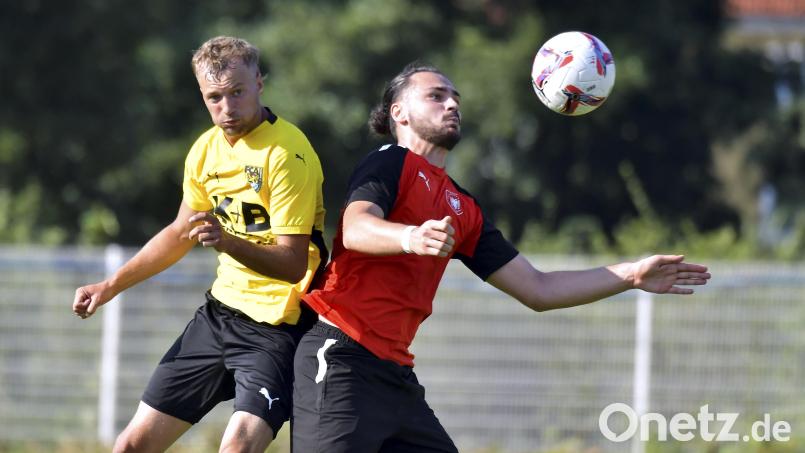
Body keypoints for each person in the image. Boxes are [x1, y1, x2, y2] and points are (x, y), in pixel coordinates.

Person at [290, 62, 711, 453]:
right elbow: (356, 227)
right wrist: (411, 237)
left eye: (455, 97)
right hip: (341, 356)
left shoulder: (462, 207)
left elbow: (538, 289)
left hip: (394, 377)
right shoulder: (389, 162)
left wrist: (631, 274)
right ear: (398, 113)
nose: (452, 103)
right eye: (436, 96)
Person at [72, 36, 327, 453]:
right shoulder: (205, 150)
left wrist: (226, 240)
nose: (227, 107)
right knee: (131, 446)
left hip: (277, 328)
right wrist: (109, 287)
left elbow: (292, 264)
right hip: (218, 317)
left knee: (237, 448)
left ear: (259, 83)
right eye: (214, 97)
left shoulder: (286, 154)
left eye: (237, 92)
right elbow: (178, 234)